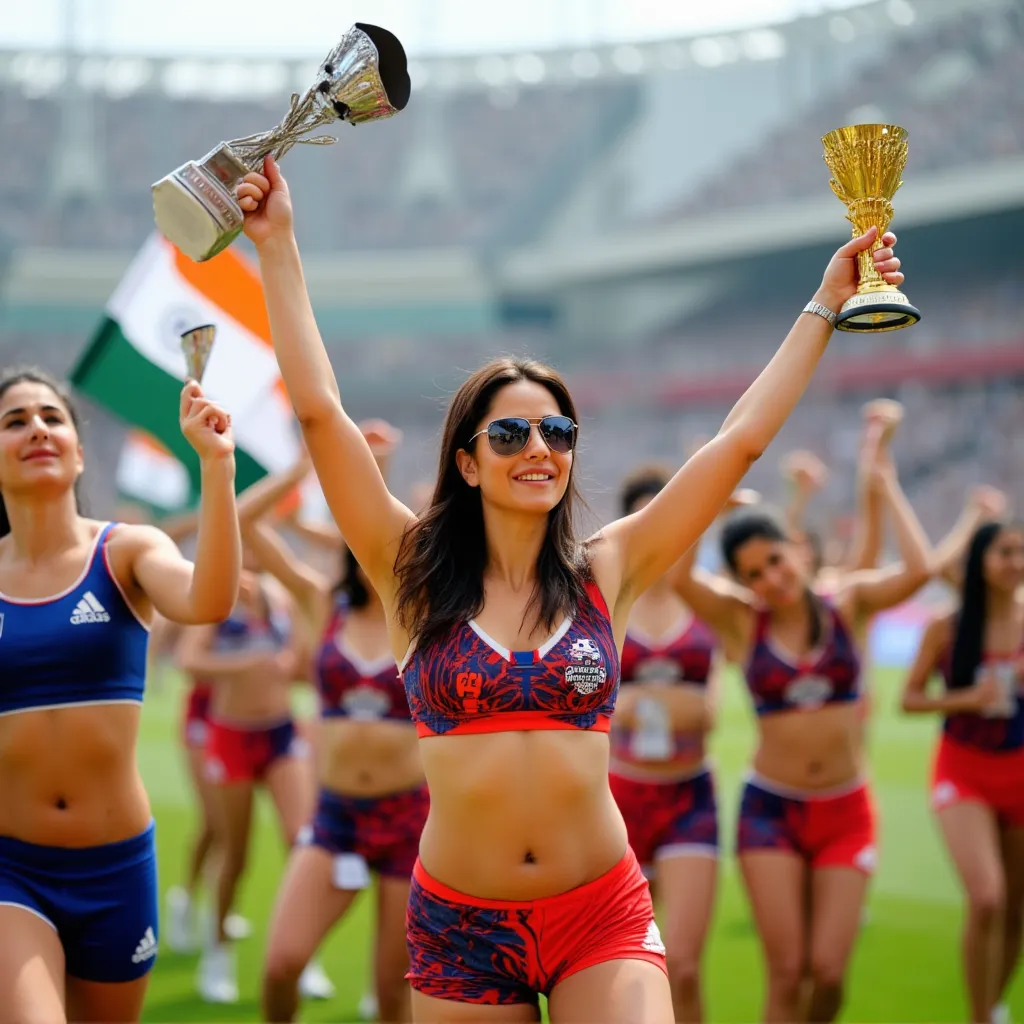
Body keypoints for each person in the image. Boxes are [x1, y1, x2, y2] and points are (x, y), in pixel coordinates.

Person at [237, 152, 905, 1023]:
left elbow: (735, 444)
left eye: (557, 429)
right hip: (460, 926)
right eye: (510, 432)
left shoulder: (612, 567)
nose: (538, 448)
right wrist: (279, 245)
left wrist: (825, 303)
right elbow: (321, 411)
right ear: (467, 461)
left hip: (603, 914)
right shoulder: (407, 571)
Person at [0, 367, 240, 1023]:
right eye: (14, 420)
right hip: (10, 870)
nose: (36, 429)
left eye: (52, 417)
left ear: (80, 451)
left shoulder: (126, 550)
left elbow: (209, 598)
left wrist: (217, 466)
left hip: (116, 870)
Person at [672, 440, 930, 1024]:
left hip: (845, 810)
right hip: (772, 811)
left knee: (830, 974)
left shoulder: (850, 605)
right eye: (754, 573)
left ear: (799, 550)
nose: (771, 578)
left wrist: (883, 483)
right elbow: (681, 577)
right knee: (787, 973)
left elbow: (920, 571)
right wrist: (711, 507)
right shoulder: (742, 623)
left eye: (776, 560)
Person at [237, 431, 426, 1024]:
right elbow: (247, 524)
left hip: (410, 818)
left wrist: (380, 471)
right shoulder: (324, 603)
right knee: (281, 964)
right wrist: (301, 471)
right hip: (337, 814)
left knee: (393, 992)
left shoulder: (425, 616)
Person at [176, 548, 321, 1004]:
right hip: (231, 735)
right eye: (247, 546)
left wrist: (293, 664)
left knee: (302, 843)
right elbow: (189, 660)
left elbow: (301, 664)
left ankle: (303, 958)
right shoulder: (217, 601)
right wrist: (248, 662)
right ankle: (217, 954)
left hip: (280, 732)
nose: (255, 556)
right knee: (234, 852)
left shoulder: (281, 600)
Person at [608, 465, 723, 1024]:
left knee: (683, 964)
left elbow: (711, 710)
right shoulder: (608, 603)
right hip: (621, 795)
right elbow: (592, 697)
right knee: (626, 961)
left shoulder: (706, 603)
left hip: (689, 797)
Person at [900, 516, 1024, 1024]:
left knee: (1016, 909)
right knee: (988, 896)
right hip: (963, 771)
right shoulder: (945, 627)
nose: (1015, 564)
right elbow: (908, 699)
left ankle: (994, 1007)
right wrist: (965, 698)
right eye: (1004, 553)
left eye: (1021, 553)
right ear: (979, 563)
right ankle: (979, 1015)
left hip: (1018, 772)